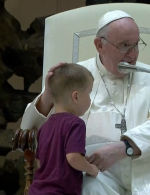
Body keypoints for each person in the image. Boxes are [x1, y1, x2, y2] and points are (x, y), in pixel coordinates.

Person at [21, 10, 150, 195]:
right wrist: (48, 94)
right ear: (100, 45)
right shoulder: (76, 76)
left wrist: (125, 147)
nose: (133, 55)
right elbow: (30, 129)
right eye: (124, 46)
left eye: (136, 45)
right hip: (97, 172)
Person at [28, 64, 98, 195]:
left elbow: (40, 161)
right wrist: (91, 169)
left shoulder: (45, 126)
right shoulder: (76, 124)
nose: (90, 99)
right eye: (89, 94)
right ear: (75, 97)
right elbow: (73, 158)